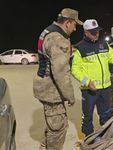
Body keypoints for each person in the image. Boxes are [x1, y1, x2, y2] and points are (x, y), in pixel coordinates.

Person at [33, 8, 83, 150]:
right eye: (74, 25)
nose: (74, 29)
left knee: (52, 127)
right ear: (68, 22)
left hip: (44, 85)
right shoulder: (58, 39)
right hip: (52, 91)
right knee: (58, 129)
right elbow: (60, 72)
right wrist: (70, 96)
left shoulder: (48, 32)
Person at [71, 19, 113, 136]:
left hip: (105, 88)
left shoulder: (103, 45)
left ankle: (105, 137)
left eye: (97, 32)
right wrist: (87, 82)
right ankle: (88, 139)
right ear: (86, 32)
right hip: (89, 90)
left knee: (106, 115)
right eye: (93, 32)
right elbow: (75, 69)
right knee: (88, 117)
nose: (96, 34)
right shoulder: (80, 48)